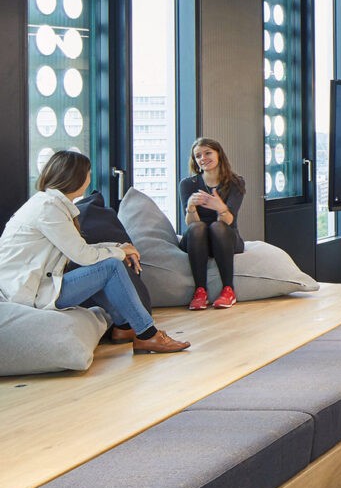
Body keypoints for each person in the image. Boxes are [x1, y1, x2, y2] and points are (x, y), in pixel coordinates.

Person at [0, 151, 189, 354]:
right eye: (88, 173)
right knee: (110, 266)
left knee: (105, 265)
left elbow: (80, 248)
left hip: (38, 284)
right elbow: (84, 256)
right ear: (77, 177)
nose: (90, 178)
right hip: (29, 292)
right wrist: (119, 254)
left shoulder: (52, 204)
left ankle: (125, 327)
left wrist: (119, 248)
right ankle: (147, 335)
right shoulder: (49, 208)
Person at [179, 137, 246, 310]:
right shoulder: (187, 184)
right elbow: (190, 224)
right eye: (198, 156)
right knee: (197, 227)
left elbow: (229, 221)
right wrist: (191, 208)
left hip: (225, 237)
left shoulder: (235, 182)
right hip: (197, 241)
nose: (203, 158)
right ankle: (200, 291)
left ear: (219, 155)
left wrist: (220, 207)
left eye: (208, 153)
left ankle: (228, 290)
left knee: (218, 226)